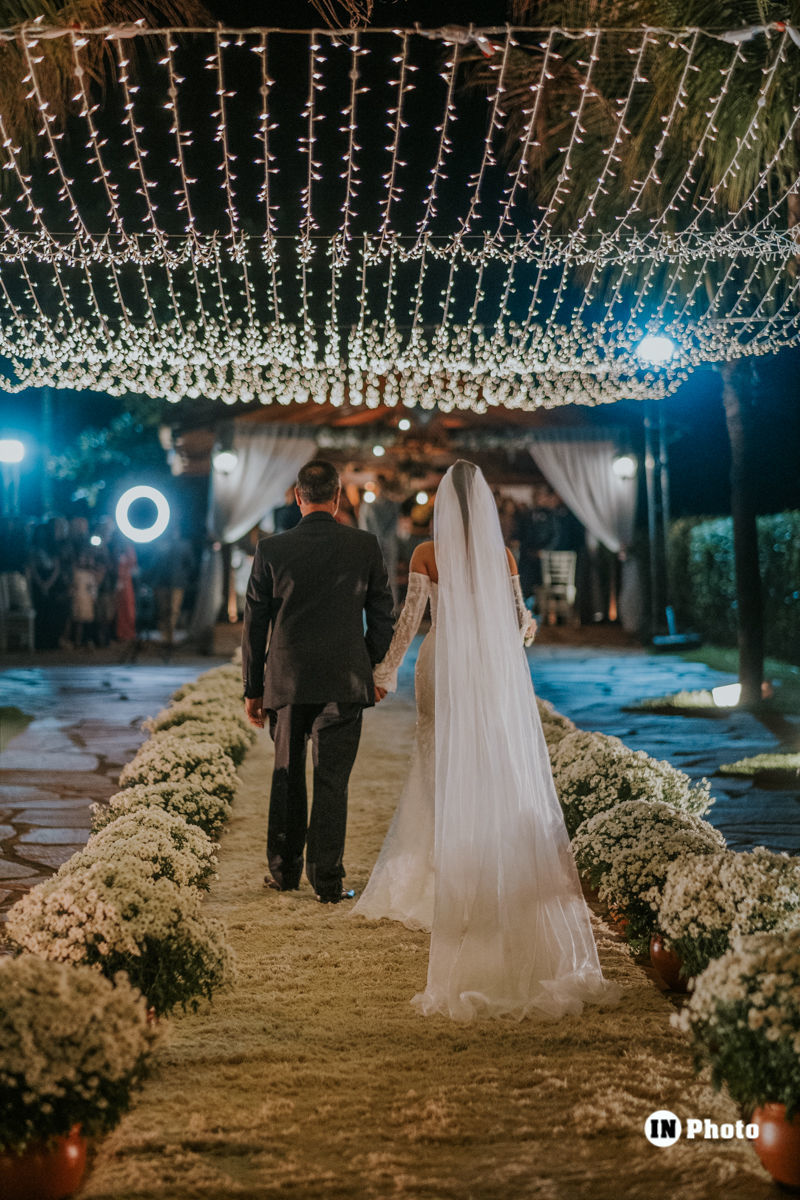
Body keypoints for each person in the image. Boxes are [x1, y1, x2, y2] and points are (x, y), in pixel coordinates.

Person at [354, 460, 621, 1022]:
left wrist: (385, 671)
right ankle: (481, 854)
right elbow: (523, 622)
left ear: (443, 505)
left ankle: (432, 869)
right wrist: (513, 636)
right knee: (487, 757)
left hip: (441, 660)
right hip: (485, 669)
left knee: (434, 759)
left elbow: (410, 620)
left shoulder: (428, 555)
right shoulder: (503, 557)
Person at [241, 459, 395, 904]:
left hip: (287, 680)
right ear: (338, 497)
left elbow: (255, 624)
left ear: (297, 496)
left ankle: (284, 872)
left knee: (287, 774)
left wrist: (253, 689)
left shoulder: (272, 549)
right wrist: (366, 664)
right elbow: (383, 614)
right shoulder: (364, 545)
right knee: (332, 781)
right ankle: (326, 881)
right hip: (344, 680)